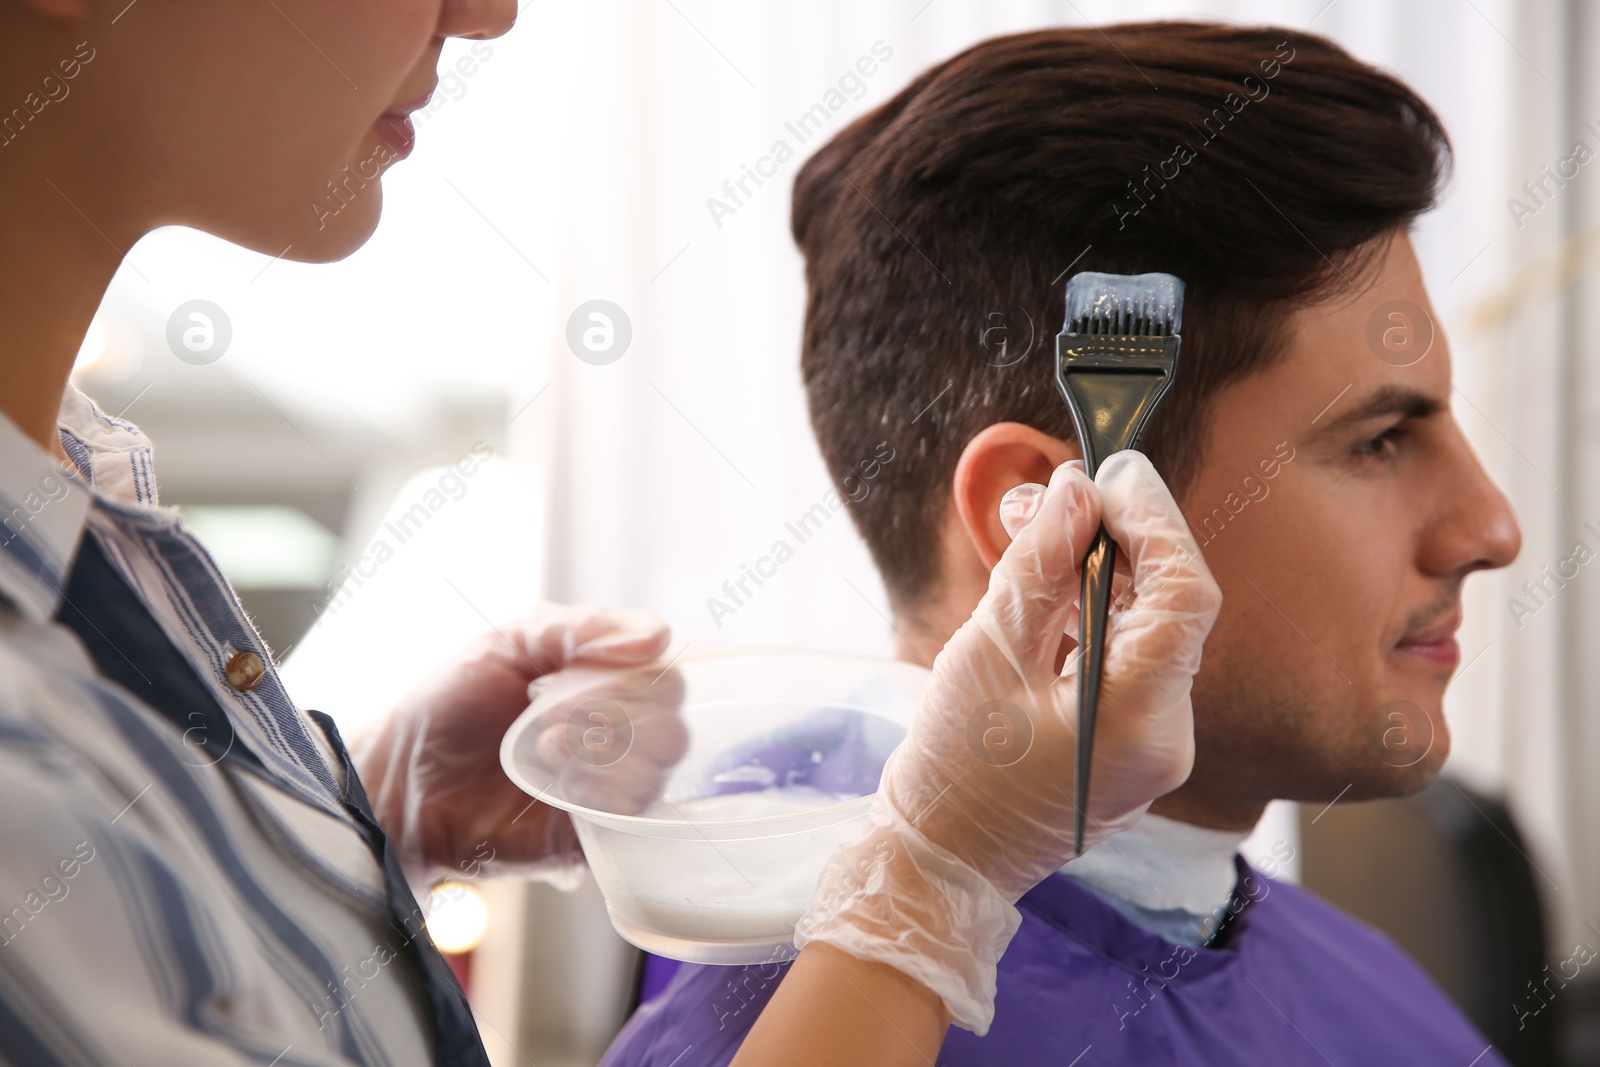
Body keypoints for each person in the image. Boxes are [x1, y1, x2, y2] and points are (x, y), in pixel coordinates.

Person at [0, 4, 1220, 1065]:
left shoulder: (88, 510)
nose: (486, 14)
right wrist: (933, 880)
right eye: (1370, 439)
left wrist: (361, 809)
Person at [600, 22, 1524, 1067]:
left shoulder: (1369, 990)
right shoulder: (801, 1018)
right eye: (1379, 439)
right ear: (1048, 524)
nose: (1489, 528)